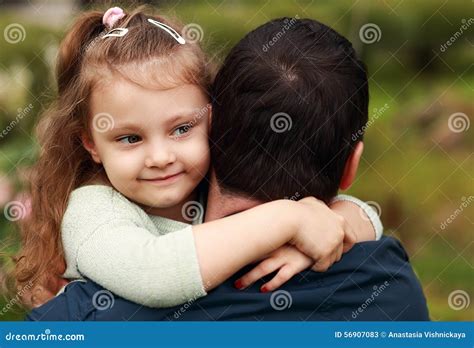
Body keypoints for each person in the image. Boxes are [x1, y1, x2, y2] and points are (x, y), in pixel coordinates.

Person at [27, 16, 429, 321]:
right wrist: (289, 218)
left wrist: (332, 222)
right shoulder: (94, 211)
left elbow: (365, 216)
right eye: (130, 138)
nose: (161, 156)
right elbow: (156, 271)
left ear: (214, 122)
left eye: (182, 129)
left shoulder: (196, 187)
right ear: (90, 143)